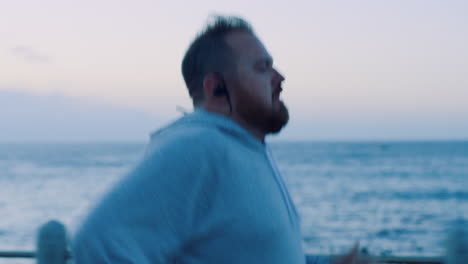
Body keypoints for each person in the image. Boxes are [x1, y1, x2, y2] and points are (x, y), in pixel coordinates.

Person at [72, 16, 366, 264]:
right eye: (262, 68)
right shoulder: (198, 148)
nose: (279, 78)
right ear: (216, 89)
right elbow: (98, 242)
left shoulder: (244, 150)